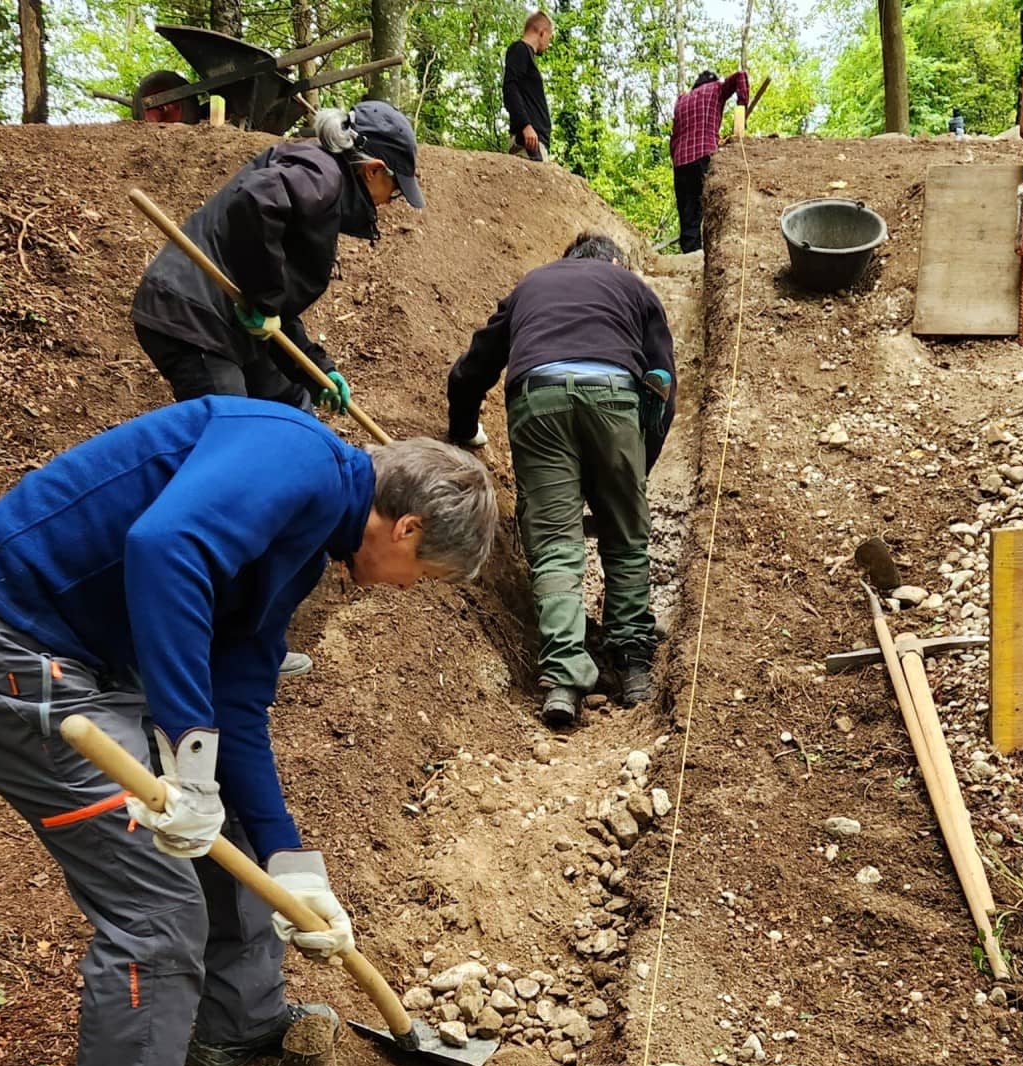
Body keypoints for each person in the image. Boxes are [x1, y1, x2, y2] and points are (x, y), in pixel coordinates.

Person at [0, 396, 497, 1066]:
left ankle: (238, 1019)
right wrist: (187, 758)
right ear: (406, 528)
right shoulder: (296, 456)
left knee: (214, 824)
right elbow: (165, 546)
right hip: (8, 647)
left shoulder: (299, 545)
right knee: (156, 911)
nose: (411, 590)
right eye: (428, 575)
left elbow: (238, 709)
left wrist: (295, 864)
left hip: (79, 658)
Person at [132, 100, 424, 679]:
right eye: (396, 187)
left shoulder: (320, 189)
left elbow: (275, 303)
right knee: (240, 467)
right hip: (194, 316)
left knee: (295, 412)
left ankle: (250, 620)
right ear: (373, 169)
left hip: (225, 324)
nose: (393, 203)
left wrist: (317, 367)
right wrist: (263, 303)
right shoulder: (316, 170)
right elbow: (253, 206)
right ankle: (220, 637)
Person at [446, 233, 676, 728]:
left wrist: (462, 429)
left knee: (554, 543)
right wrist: (637, 469)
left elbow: (473, 367)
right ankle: (633, 663)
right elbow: (662, 383)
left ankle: (563, 680)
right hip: (614, 396)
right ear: (614, 262)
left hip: (538, 397)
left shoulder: (532, 284)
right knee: (625, 534)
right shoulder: (631, 286)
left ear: (565, 260)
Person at [669, 68, 749, 253]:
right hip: (704, 154)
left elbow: (674, 137)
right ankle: (709, 257)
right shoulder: (716, 89)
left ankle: (690, 254)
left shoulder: (682, 100)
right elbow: (740, 75)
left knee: (688, 212)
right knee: (710, 208)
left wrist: (676, 157)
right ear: (712, 81)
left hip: (681, 162)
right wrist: (742, 106)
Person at [503, 11, 554, 162]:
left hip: (533, 143)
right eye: (549, 38)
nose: (548, 44)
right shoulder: (520, 49)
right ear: (542, 33)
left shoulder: (525, 55)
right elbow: (509, 88)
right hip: (529, 144)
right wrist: (525, 125)